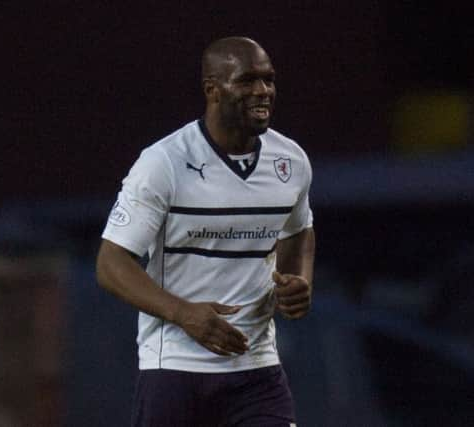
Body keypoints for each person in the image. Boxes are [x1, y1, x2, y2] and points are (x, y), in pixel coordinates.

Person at [96, 36, 315, 427]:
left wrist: (297, 280)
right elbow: (111, 263)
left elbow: (299, 230)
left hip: (257, 368)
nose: (263, 91)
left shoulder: (291, 161)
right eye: (247, 81)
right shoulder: (164, 163)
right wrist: (184, 314)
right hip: (176, 368)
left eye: (269, 80)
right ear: (212, 90)